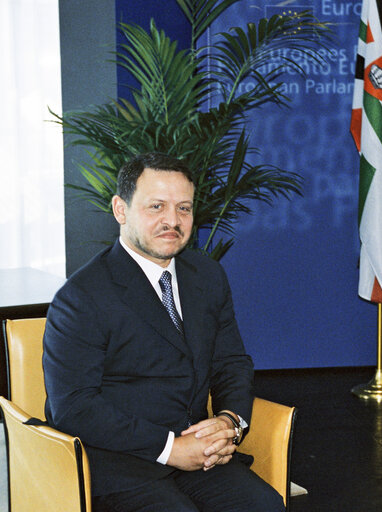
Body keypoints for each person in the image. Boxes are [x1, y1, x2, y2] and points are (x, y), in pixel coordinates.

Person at [43, 152, 284, 512]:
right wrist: (169, 448)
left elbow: (231, 362)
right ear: (120, 210)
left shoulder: (208, 276)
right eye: (156, 206)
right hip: (119, 463)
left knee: (264, 506)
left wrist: (228, 421)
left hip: (199, 454)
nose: (172, 220)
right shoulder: (82, 297)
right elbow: (74, 407)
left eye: (183, 209)